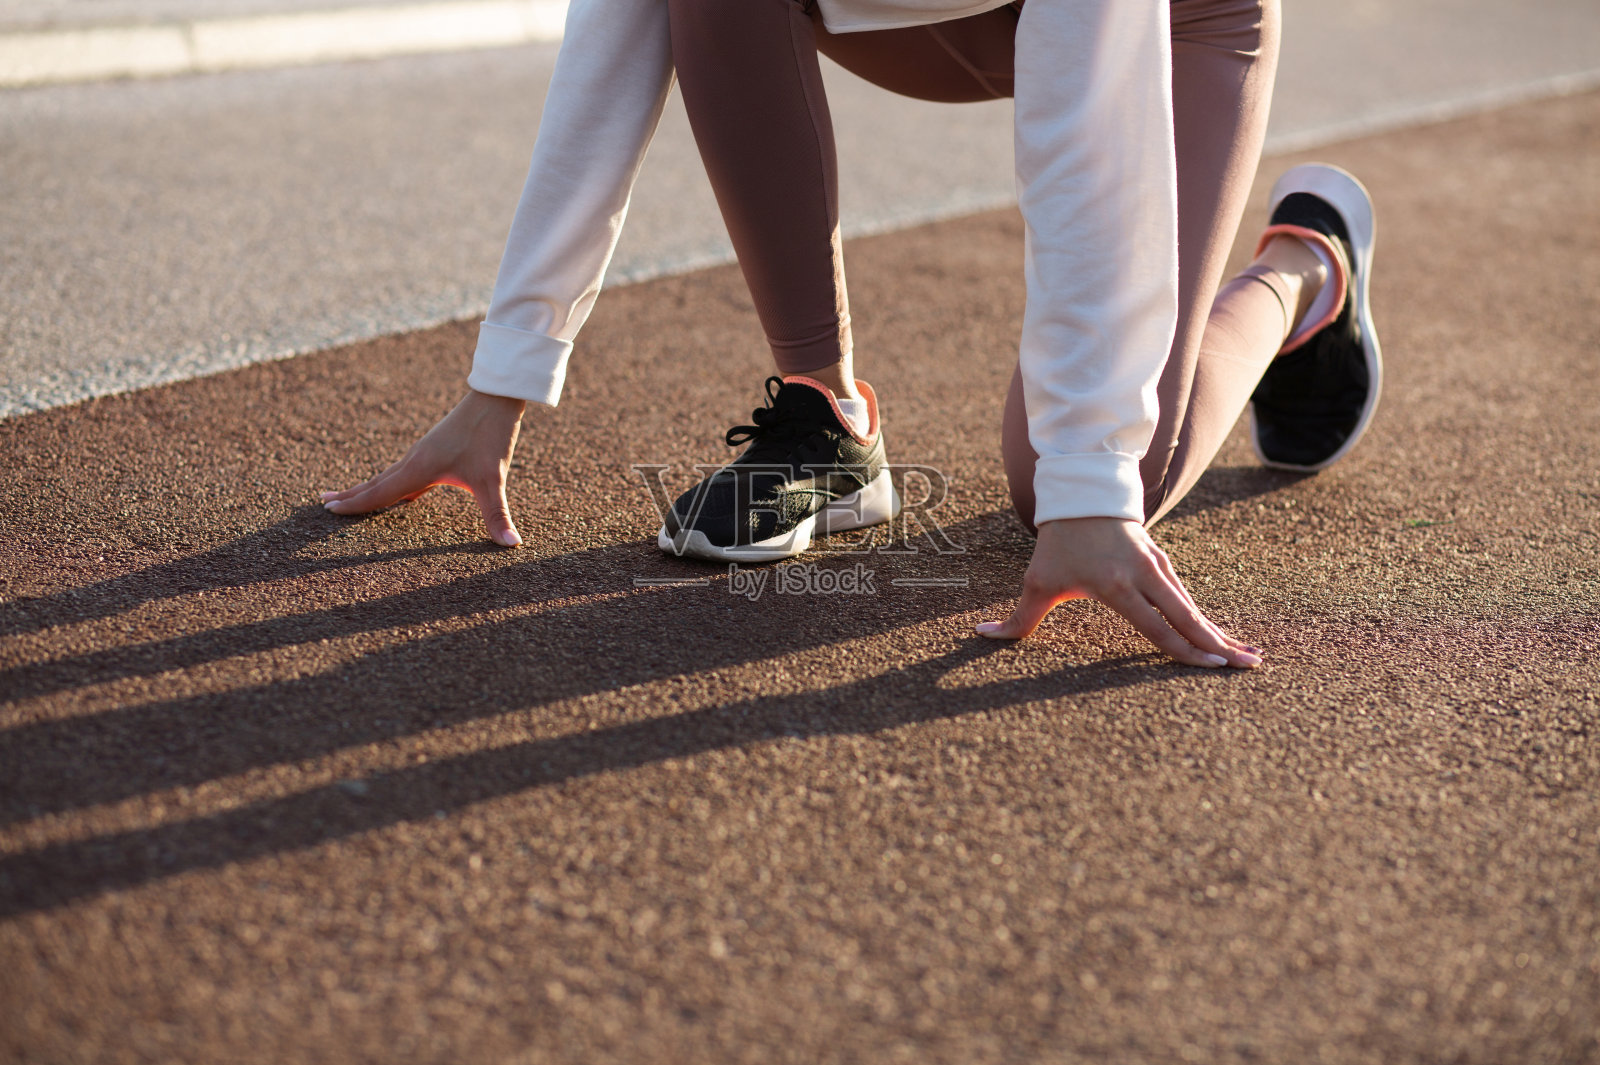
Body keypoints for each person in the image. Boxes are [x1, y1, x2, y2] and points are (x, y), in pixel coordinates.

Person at [322, 0, 1382, 670]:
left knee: (1075, 479)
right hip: (926, 19)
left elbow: (1084, 124)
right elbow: (617, 29)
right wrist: (501, 381)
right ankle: (824, 417)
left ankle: (1304, 270)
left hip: (1170, 19)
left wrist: (1091, 479)